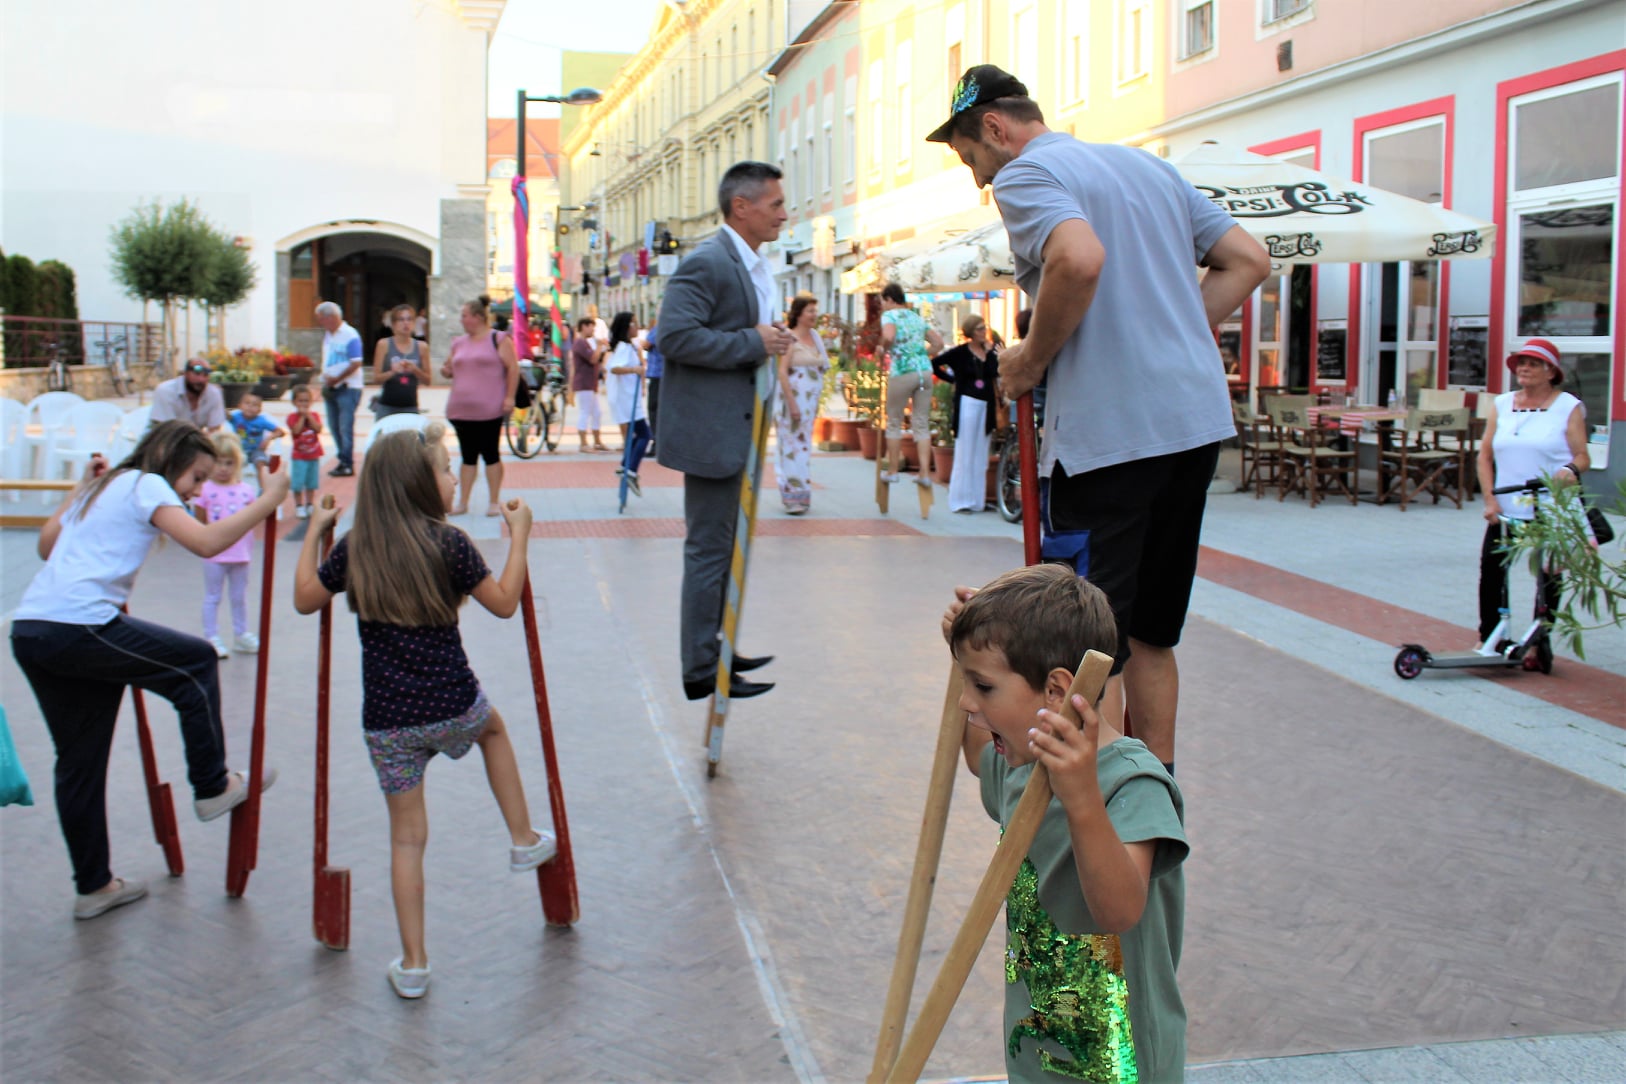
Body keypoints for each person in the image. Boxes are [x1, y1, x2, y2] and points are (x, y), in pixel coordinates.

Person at [928, 64, 1271, 771]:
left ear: (994, 128)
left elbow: (1078, 258)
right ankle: (1156, 798)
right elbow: (1249, 260)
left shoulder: (1026, 174)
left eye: (969, 159)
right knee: (1152, 634)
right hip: (1190, 425)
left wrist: (1029, 361)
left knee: (1084, 646)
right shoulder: (1147, 168)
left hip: (1107, 439)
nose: (978, 180)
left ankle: (1098, 807)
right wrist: (1169, 331)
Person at [293, 425, 555, 1000]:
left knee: (407, 841)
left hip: (388, 722)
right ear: (418, 482)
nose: (451, 479)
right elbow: (504, 603)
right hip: (454, 704)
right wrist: (519, 536)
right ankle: (521, 836)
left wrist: (315, 533)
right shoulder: (449, 542)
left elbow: (305, 598)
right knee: (493, 733)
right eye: (444, 469)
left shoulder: (357, 546)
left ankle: (413, 964)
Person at [10, 421, 288, 919]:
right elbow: (206, 543)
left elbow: (47, 546)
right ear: (171, 460)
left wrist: (81, 489)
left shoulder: (104, 485)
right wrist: (270, 499)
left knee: (79, 763)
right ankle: (212, 785)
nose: (196, 490)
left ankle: (94, 887)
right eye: (196, 477)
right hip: (80, 624)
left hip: (32, 629)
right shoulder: (146, 483)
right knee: (195, 661)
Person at [945, 564, 1187, 1082]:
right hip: (1038, 1054)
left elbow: (1119, 910)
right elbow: (976, 758)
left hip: (1120, 1064)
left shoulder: (1132, 783)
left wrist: (1081, 801)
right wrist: (964, 655)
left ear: (1056, 690)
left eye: (983, 686)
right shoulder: (1023, 763)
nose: (967, 701)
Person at [655, 161, 794, 701]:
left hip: (737, 429)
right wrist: (754, 341)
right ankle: (699, 665)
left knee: (724, 547)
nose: (784, 214)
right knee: (710, 550)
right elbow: (674, 337)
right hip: (713, 434)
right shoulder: (709, 262)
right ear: (742, 207)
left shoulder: (748, 263)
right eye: (775, 204)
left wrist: (766, 338)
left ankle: (715, 646)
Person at [1475, 337, 1591, 645]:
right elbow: (1484, 455)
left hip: (1549, 506)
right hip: (1506, 508)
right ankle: (1490, 637)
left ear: (1551, 371)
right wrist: (1490, 499)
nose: (1524, 368)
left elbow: (1583, 456)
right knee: (1492, 571)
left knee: (1549, 574)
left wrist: (1570, 470)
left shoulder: (1567, 406)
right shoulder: (1502, 404)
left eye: (1533, 364)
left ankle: (1540, 643)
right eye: (1521, 363)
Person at [441, 295, 519, 517]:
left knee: (490, 454)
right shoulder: (458, 342)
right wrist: (446, 371)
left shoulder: (499, 339)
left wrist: (509, 397)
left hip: (489, 409)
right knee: (467, 456)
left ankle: (493, 501)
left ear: (477, 317)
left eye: (464, 315)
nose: (461, 320)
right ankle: (463, 502)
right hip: (460, 410)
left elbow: (513, 368)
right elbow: (449, 367)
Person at [193, 434, 260, 659]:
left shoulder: (246, 491)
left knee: (239, 596)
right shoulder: (205, 489)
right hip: (215, 554)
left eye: (228, 463)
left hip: (241, 554)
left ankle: (241, 634)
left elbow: (252, 517)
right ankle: (211, 636)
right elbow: (200, 518)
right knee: (213, 596)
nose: (223, 468)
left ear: (237, 463)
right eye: (218, 462)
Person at [932, 314, 1000, 513]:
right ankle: (960, 499)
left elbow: (995, 372)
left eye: (984, 327)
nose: (984, 332)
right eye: (979, 328)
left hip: (986, 404)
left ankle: (977, 500)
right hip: (968, 402)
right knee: (965, 451)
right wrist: (953, 380)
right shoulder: (960, 352)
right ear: (971, 331)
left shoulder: (989, 352)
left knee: (981, 453)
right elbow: (935, 364)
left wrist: (992, 353)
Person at [877, 283, 943, 488]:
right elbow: (938, 343)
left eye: (882, 302)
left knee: (894, 420)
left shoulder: (890, 316)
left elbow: (889, 336)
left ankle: (893, 470)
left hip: (902, 371)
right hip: (924, 372)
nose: (882, 306)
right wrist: (921, 354)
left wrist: (882, 349)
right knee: (921, 422)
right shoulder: (916, 317)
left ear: (889, 299)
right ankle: (924, 473)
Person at [775, 292, 829, 515]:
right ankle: (791, 496)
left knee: (804, 447)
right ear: (798, 314)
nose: (814, 315)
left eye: (815, 310)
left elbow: (822, 367)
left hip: (809, 404)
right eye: (810, 311)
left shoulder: (815, 338)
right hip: (793, 402)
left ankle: (802, 494)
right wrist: (792, 404)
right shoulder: (789, 338)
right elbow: (782, 372)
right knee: (790, 446)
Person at [604, 311, 652, 497]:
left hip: (630, 397)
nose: (637, 326)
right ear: (626, 327)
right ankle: (631, 470)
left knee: (637, 435)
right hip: (625, 399)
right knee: (645, 434)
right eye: (634, 323)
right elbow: (614, 368)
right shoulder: (623, 347)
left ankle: (625, 465)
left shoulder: (630, 346)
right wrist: (634, 369)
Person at [315, 301, 365, 477]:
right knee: (334, 426)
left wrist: (338, 378)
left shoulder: (350, 334)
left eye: (321, 319)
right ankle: (342, 459)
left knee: (345, 426)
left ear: (331, 317)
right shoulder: (328, 335)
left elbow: (356, 362)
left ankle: (347, 462)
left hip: (348, 387)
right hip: (331, 387)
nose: (320, 323)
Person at [373, 304, 431, 419]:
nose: (406, 323)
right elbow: (376, 379)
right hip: (387, 407)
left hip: (411, 406)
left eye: (409, 319)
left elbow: (428, 381)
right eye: (401, 320)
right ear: (393, 324)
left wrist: (415, 370)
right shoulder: (384, 344)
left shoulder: (422, 347)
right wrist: (393, 372)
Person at [149, 359, 226, 432]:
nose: (201, 379)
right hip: (162, 438)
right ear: (185, 374)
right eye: (197, 374)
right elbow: (165, 431)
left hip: (195, 438)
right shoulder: (166, 391)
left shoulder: (213, 393)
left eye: (205, 375)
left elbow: (215, 430)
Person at [569, 316, 608, 452]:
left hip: (590, 383)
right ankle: (583, 443)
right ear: (584, 327)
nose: (593, 330)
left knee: (597, 412)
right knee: (585, 412)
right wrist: (599, 347)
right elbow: (592, 359)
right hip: (584, 383)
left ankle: (597, 441)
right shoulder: (580, 343)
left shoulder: (584, 343)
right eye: (591, 327)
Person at [228, 392, 285, 483]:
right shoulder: (235, 417)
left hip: (256, 450)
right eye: (247, 403)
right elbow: (222, 415)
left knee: (261, 464)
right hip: (238, 449)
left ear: (259, 410)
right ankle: (234, 485)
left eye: (254, 405)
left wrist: (268, 438)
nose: (250, 407)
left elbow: (280, 432)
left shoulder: (261, 421)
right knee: (230, 463)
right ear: (239, 406)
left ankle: (263, 487)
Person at [286, 384, 324, 519]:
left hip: (313, 454)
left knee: (311, 482)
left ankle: (309, 504)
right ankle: (299, 505)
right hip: (299, 456)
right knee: (297, 483)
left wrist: (309, 416)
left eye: (306, 401)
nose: (304, 404)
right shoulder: (292, 417)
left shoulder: (315, 415)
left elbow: (318, 429)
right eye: (300, 401)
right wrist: (302, 417)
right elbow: (296, 431)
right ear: (294, 402)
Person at [643, 320, 664, 453]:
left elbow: (646, 344)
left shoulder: (659, 328)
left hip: (657, 374)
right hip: (665, 374)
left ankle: (657, 442)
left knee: (654, 409)